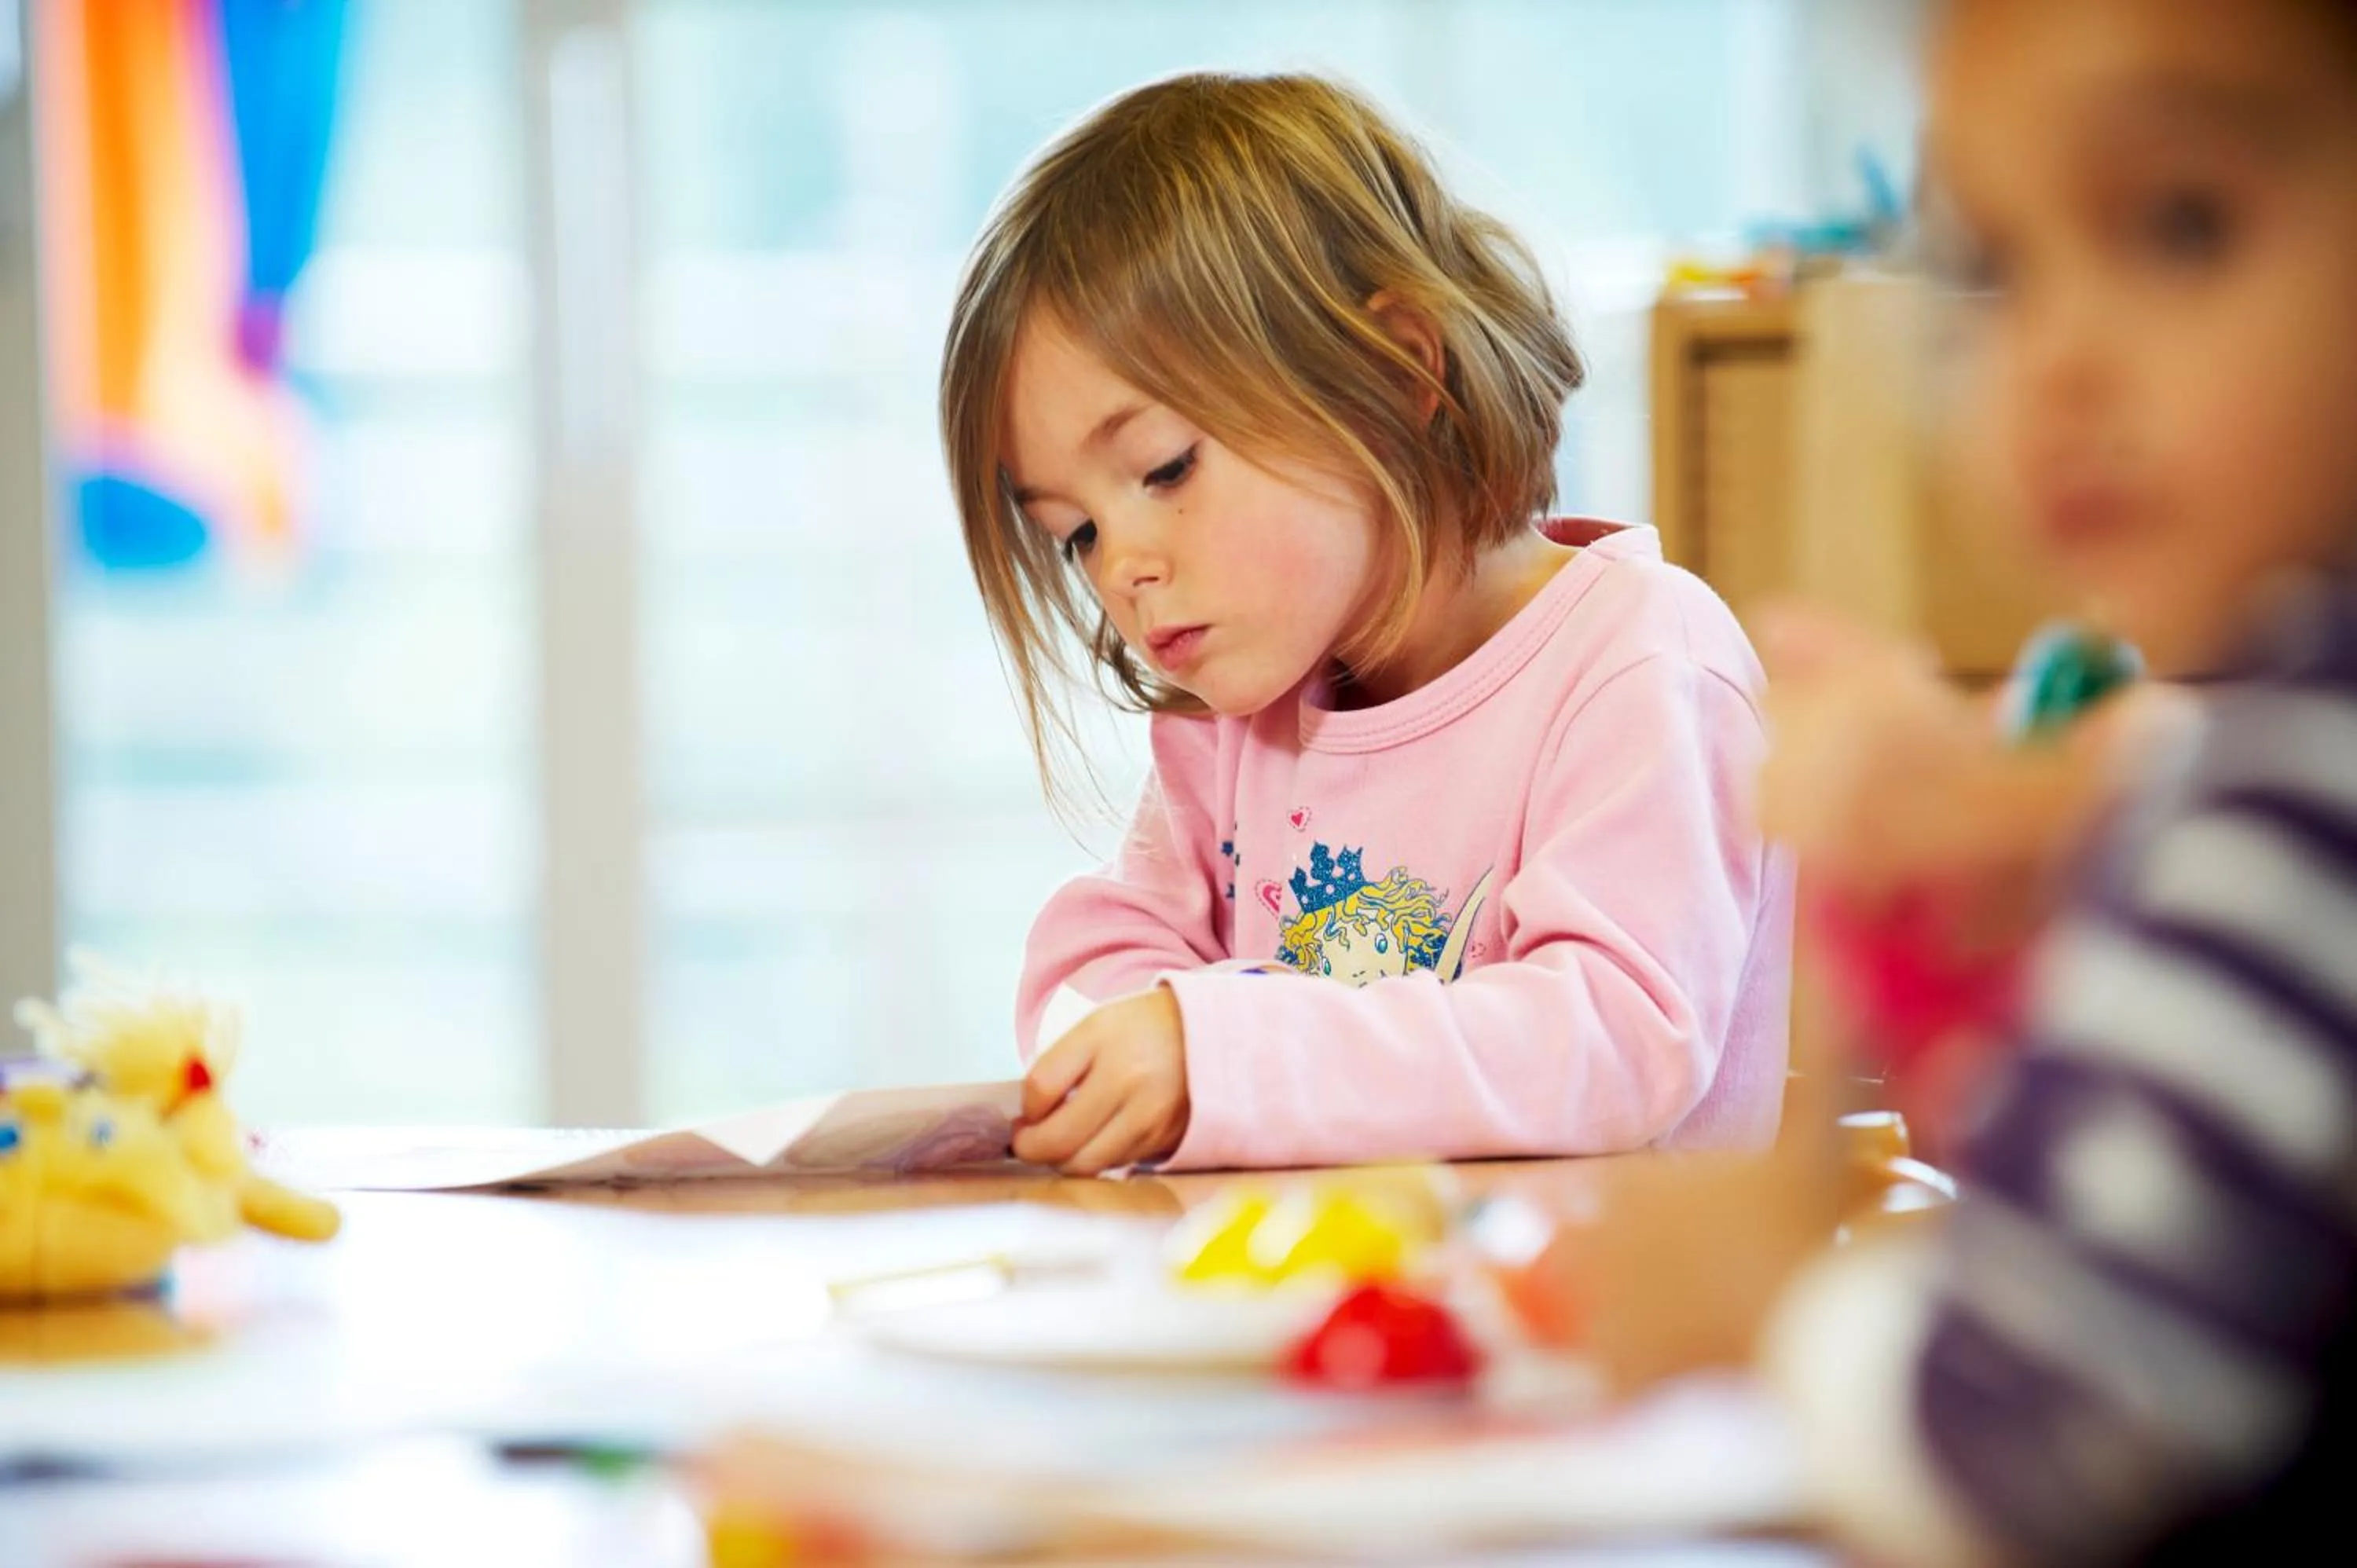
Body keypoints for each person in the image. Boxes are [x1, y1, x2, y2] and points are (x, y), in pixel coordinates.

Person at [939, 72, 1794, 1176]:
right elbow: (1101, 959)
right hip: (1320, 1323)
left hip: (1598, 1335)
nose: (1125, 569)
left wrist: (1229, 1051)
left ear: (1397, 372)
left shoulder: (1638, 662)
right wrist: (1133, 1050)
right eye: (1075, 535)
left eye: (1163, 469)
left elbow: (1616, 1037)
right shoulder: (1240, 712)